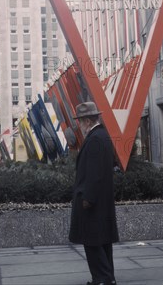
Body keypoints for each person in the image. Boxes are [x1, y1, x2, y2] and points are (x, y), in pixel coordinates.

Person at [69, 101, 118, 285]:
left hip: (92, 202)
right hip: (100, 202)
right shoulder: (101, 136)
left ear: (87, 121)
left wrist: (87, 198)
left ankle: (102, 279)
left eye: (80, 121)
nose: (79, 125)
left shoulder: (95, 138)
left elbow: (95, 173)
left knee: (92, 242)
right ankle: (106, 278)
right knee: (101, 241)